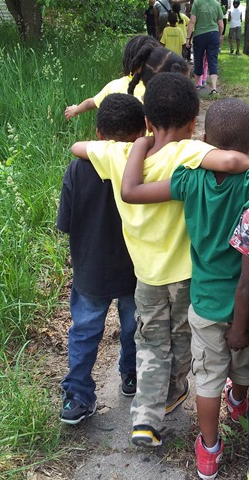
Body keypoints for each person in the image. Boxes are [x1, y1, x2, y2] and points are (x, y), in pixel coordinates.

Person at [121, 99, 249, 480]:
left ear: (204, 139)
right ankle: (238, 401)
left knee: (207, 378)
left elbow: (131, 191)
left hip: (203, 303)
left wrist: (138, 146)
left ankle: (209, 450)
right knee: (246, 367)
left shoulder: (189, 178)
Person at [71, 73, 249, 449]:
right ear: (193, 122)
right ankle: (174, 392)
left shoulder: (119, 155)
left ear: (147, 121)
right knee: (182, 340)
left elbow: (78, 146)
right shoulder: (189, 153)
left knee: (151, 343)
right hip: (187, 276)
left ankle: (145, 418)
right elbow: (234, 160)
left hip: (147, 276)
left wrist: (138, 144)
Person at [58, 94, 146, 425]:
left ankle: (77, 396)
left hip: (91, 271)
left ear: (97, 134)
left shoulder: (78, 168)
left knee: (84, 331)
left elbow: (66, 223)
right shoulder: (147, 169)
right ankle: (131, 375)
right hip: (135, 270)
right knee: (133, 328)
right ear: (143, 132)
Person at [64, 35, 159, 121]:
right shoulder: (161, 89)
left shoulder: (114, 85)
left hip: (115, 139)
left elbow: (91, 103)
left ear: (128, 60)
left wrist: (75, 110)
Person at [186, 0, 224, 95]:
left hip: (199, 35)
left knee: (198, 59)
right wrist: (219, 36)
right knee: (213, 61)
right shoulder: (216, 4)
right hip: (213, 35)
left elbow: (192, 21)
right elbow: (221, 25)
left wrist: (188, 38)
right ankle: (214, 88)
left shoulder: (197, 3)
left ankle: (197, 85)